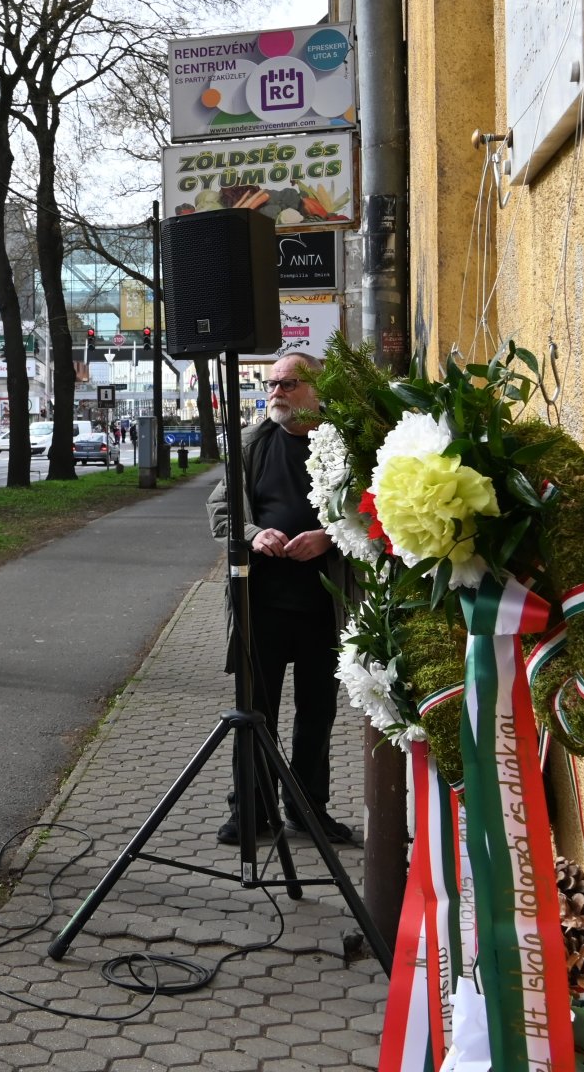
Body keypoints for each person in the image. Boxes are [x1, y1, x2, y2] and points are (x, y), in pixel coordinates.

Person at [207, 351, 356, 845]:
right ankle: (251, 810)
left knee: (318, 712)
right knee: (255, 711)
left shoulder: (347, 446)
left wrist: (328, 537)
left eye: (289, 384)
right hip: (262, 607)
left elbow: (373, 513)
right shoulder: (253, 443)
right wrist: (253, 533)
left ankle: (308, 808)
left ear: (317, 389)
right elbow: (221, 509)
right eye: (271, 383)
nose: (276, 393)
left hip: (323, 606)